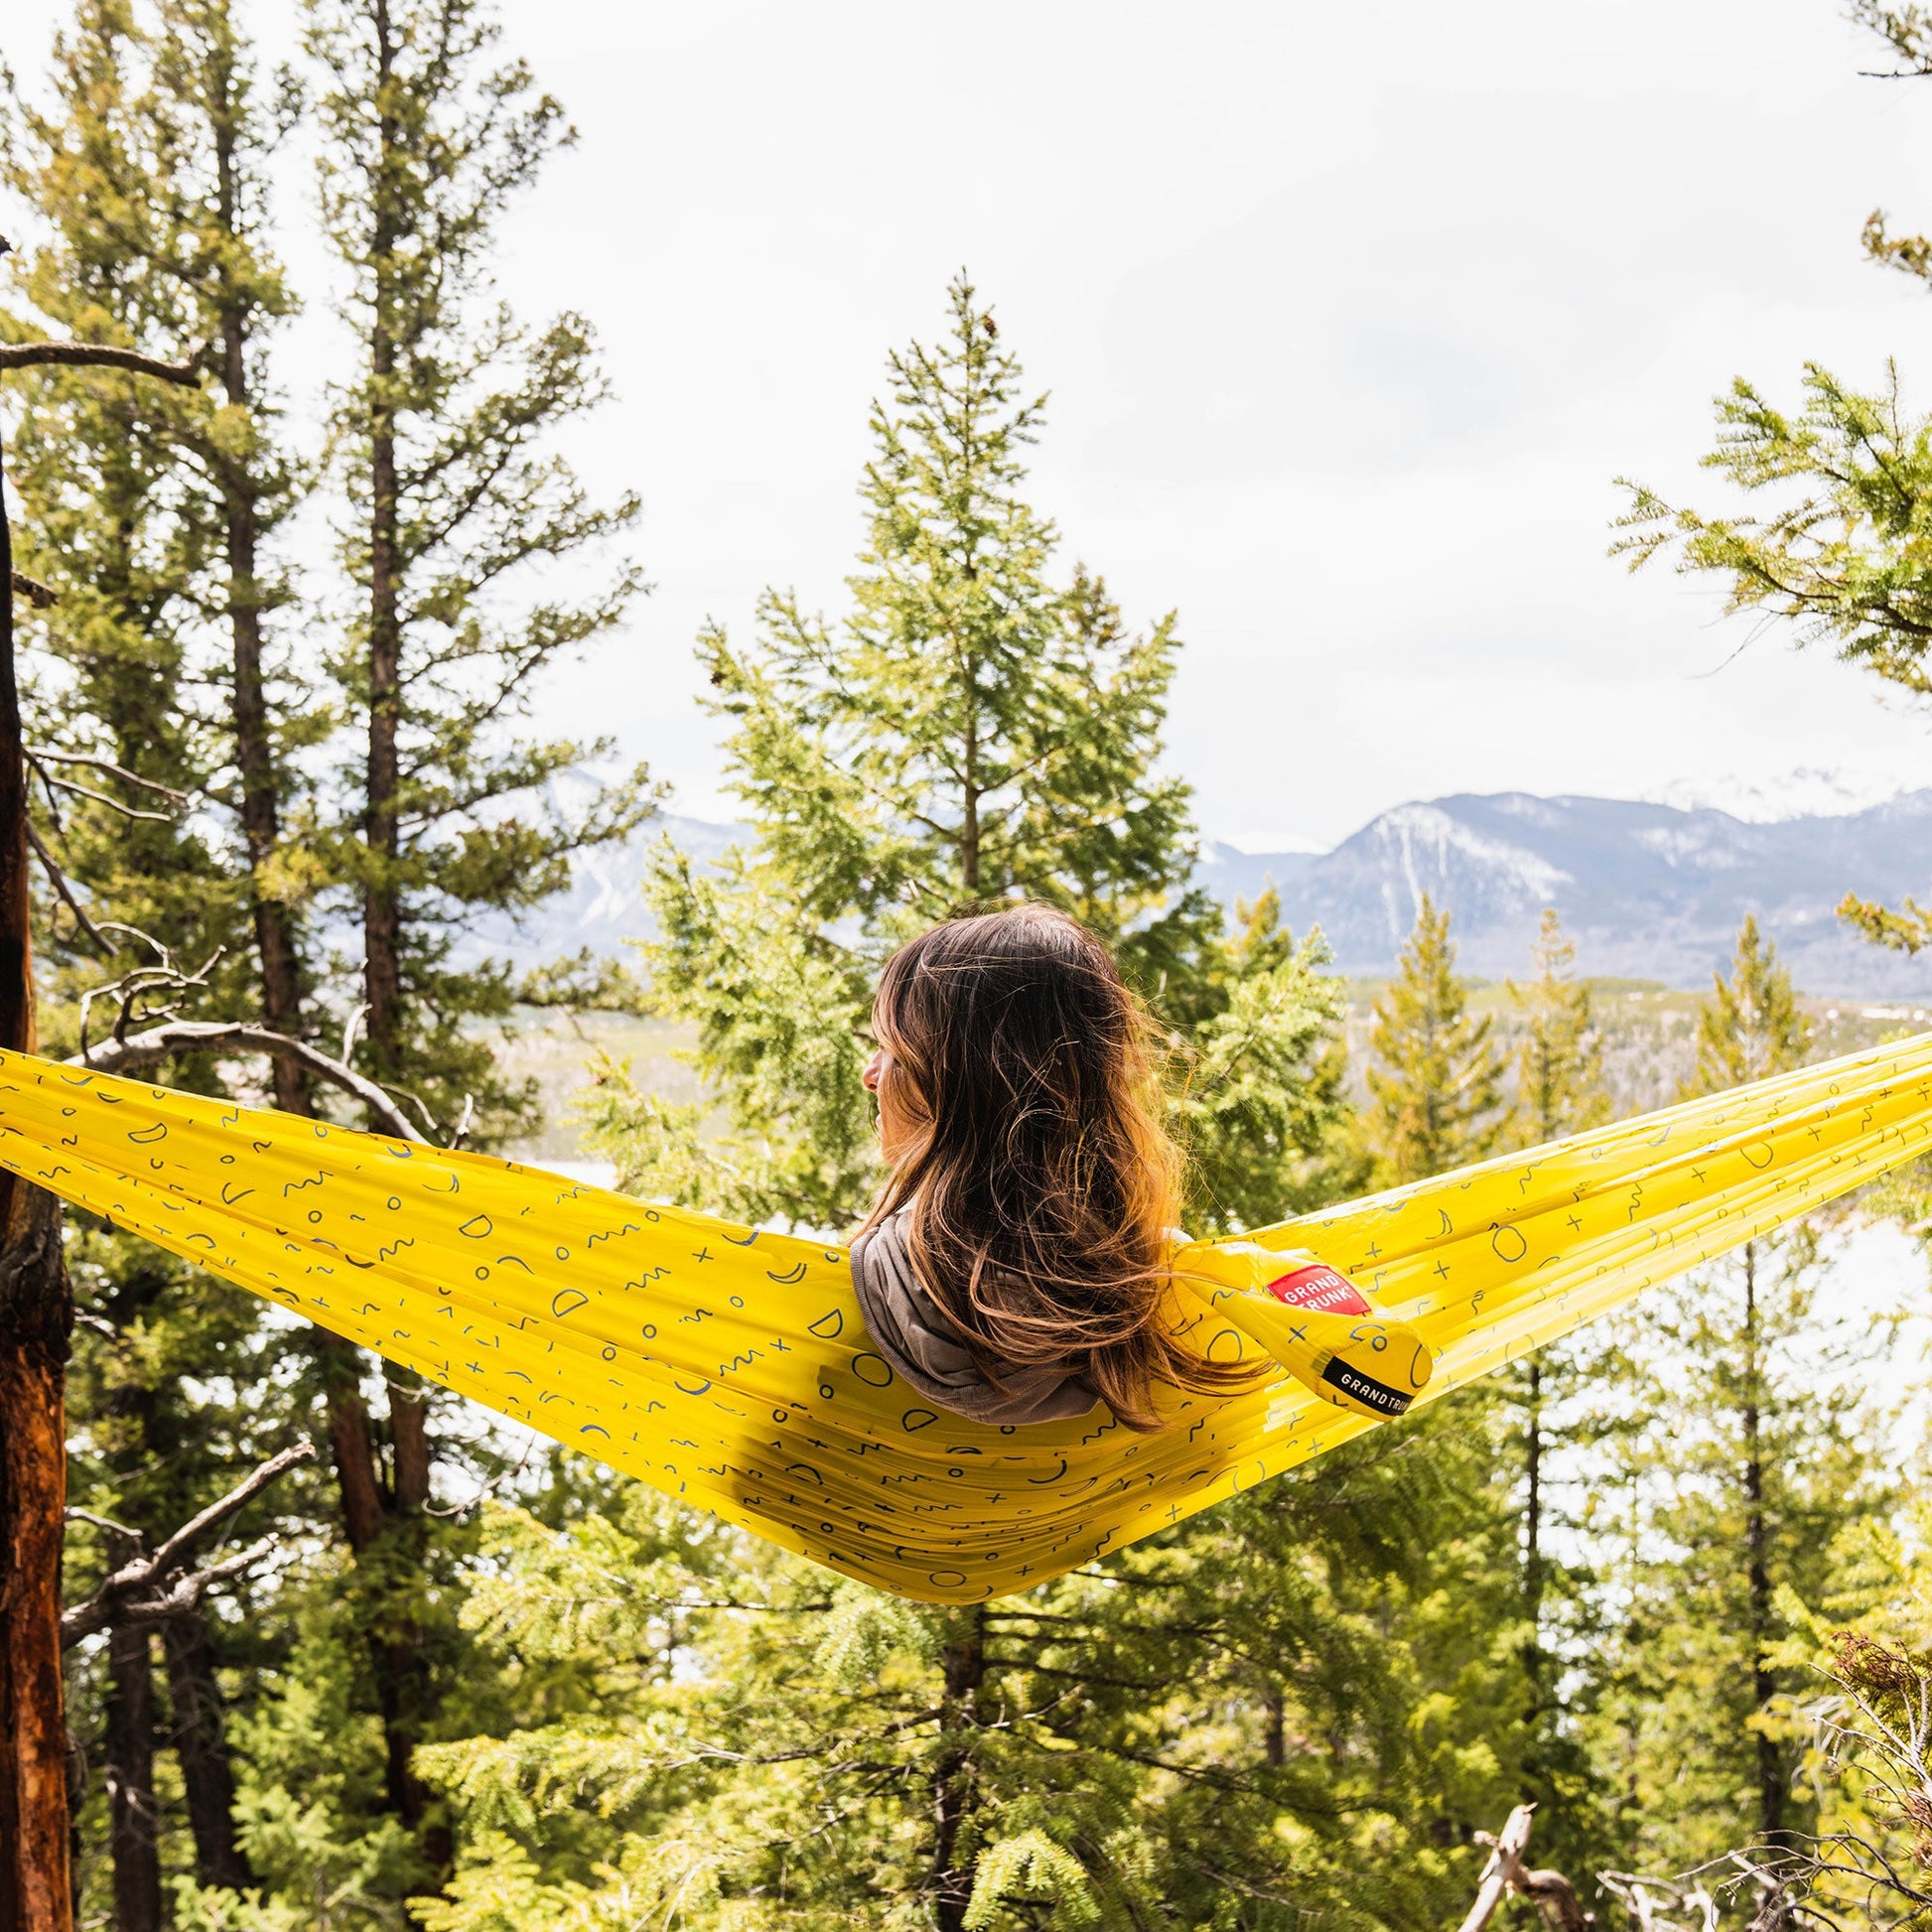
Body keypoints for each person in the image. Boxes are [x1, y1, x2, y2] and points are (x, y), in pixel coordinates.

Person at [850, 902, 1254, 1431]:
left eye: (893, 1048)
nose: (870, 1073)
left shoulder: (863, 1301)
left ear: (966, 1084)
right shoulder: (1180, 1308)